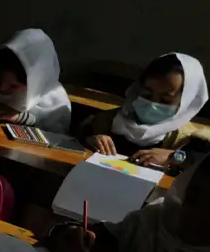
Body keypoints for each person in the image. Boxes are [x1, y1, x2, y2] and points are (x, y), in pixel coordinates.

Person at [44, 154, 210, 252]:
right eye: (193, 197)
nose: (197, 213)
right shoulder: (158, 219)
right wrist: (71, 234)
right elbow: (109, 237)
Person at [81, 53, 210, 167]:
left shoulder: (187, 140)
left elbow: (201, 163)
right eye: (147, 95)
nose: (152, 104)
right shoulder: (106, 121)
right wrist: (89, 141)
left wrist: (175, 157)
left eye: (165, 100)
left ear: (186, 103)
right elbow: (77, 138)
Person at [0, 28, 71, 133]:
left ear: (34, 86)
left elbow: (56, 135)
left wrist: (24, 118)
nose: (2, 88)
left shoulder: (53, 102)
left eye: (13, 86)